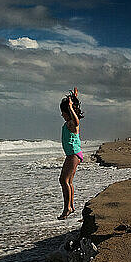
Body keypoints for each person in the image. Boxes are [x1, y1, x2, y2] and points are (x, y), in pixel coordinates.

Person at [58, 87, 84, 220]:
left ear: (68, 112)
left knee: (63, 180)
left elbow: (76, 121)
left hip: (73, 155)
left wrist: (70, 107)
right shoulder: (68, 122)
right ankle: (71, 206)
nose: (61, 115)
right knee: (69, 181)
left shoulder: (71, 123)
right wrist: (73, 98)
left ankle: (67, 208)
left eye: (63, 112)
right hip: (74, 154)